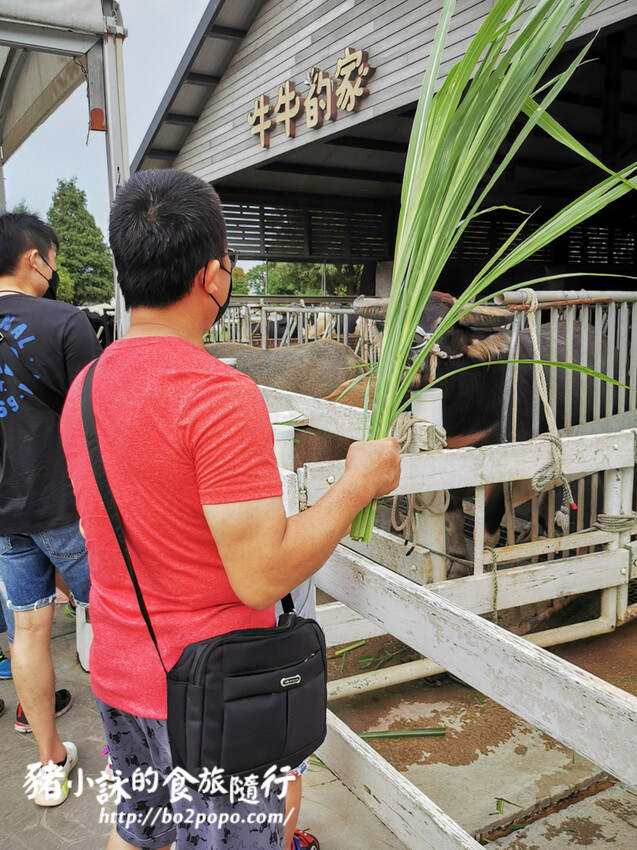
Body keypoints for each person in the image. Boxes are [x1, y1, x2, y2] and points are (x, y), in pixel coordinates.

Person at [60, 168, 401, 850]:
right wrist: (358, 484)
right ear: (214, 276)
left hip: (122, 673)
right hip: (215, 700)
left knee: (136, 833)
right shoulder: (217, 395)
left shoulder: (87, 387)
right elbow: (262, 575)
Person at [0, 213, 102, 804]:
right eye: (55, 259)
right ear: (36, 258)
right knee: (115, 617)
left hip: (6, 519)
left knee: (30, 633)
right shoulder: (65, 321)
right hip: (67, 509)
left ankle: (49, 761)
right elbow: (91, 422)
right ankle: (132, 751)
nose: (56, 269)